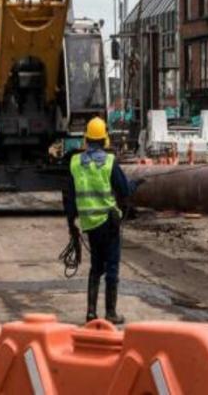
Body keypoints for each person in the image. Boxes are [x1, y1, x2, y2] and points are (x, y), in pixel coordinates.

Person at [65, 117, 142, 325]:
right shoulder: (109, 162)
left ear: (86, 139)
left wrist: (72, 223)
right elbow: (124, 191)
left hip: (90, 224)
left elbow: (69, 197)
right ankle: (111, 312)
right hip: (108, 223)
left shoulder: (75, 163)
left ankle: (91, 312)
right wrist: (135, 184)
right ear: (105, 140)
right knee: (112, 267)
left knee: (95, 267)